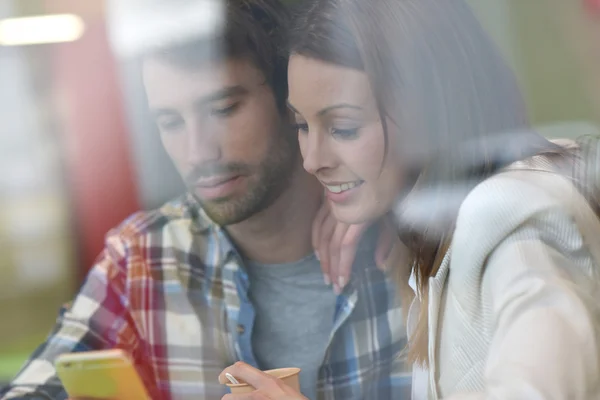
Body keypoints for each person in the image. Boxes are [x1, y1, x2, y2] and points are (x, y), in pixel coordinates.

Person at [0, 1, 413, 400]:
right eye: (171, 122)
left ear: (292, 103)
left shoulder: (406, 244)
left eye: (223, 109)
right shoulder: (143, 259)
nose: (198, 152)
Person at [219, 0, 600, 398]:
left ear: (431, 112)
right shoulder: (437, 226)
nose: (312, 161)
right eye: (302, 124)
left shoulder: (512, 226)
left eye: (344, 128)